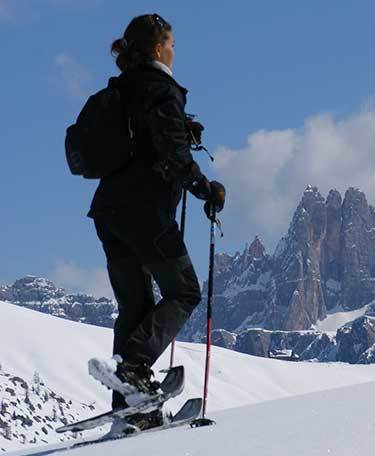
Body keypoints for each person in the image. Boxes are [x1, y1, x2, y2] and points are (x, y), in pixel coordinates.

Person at [86, 13, 225, 434]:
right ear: (158, 48)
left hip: (108, 212)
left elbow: (143, 139)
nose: (174, 50)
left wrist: (179, 127)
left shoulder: (120, 90)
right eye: (171, 43)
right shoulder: (161, 88)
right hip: (145, 211)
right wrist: (206, 189)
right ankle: (133, 367)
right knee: (184, 290)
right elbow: (170, 154)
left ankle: (131, 412)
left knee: (135, 307)